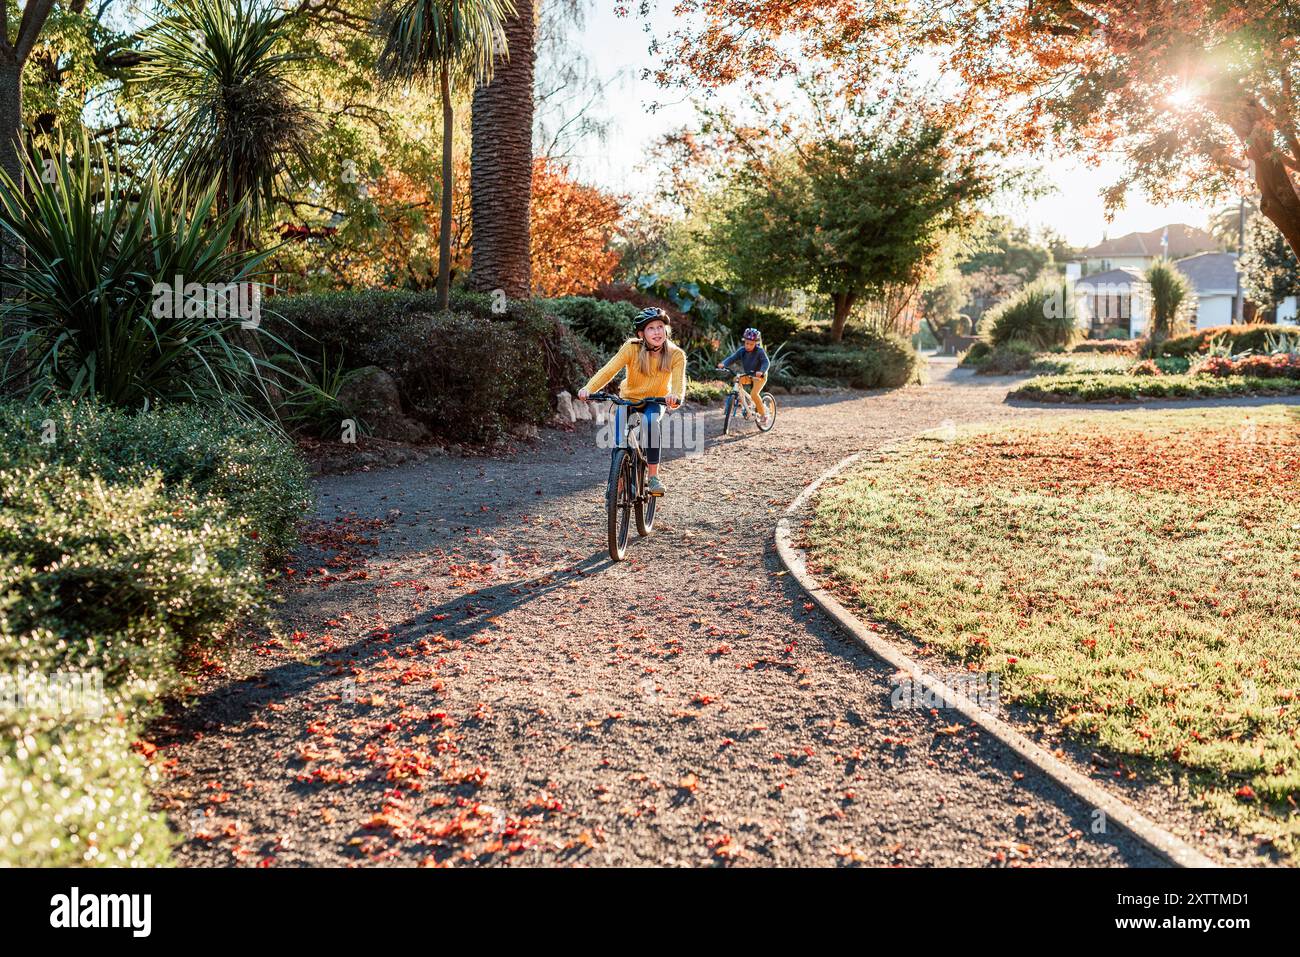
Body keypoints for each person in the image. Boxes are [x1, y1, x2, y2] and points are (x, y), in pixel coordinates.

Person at [578, 307, 686, 496]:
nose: (657, 332)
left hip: (655, 401)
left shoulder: (675, 354)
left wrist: (674, 396)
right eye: (651, 328)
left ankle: (653, 477)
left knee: (650, 422)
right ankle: (618, 479)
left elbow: (678, 383)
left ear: (665, 330)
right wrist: (589, 388)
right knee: (620, 441)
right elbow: (609, 370)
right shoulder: (632, 348)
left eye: (660, 327)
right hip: (628, 400)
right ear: (641, 333)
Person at [717, 328, 771, 425]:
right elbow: (732, 358)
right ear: (744, 342)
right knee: (737, 380)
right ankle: (746, 403)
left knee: (754, 394)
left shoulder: (760, 351)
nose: (748, 346)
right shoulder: (742, 351)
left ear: (756, 343)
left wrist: (761, 371)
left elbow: (766, 362)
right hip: (749, 375)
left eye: (751, 344)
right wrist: (724, 364)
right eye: (747, 343)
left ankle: (764, 415)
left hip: (760, 377)